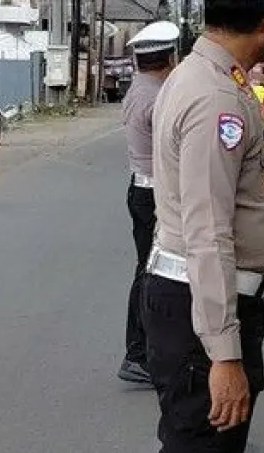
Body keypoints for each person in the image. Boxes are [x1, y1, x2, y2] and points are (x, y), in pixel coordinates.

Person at [143, 0, 264, 453]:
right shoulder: (217, 98)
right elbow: (207, 229)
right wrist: (223, 353)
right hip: (203, 309)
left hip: (197, 301)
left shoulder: (200, 77)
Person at [117, 20, 181, 385]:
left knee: (149, 269)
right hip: (155, 193)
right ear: (168, 58)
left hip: (142, 188)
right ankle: (138, 353)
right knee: (151, 273)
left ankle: (144, 351)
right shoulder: (158, 99)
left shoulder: (140, 88)